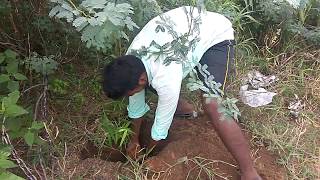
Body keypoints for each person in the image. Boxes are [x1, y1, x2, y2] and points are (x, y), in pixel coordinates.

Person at [103, 6, 261, 180]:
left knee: (212, 105)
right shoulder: (131, 62)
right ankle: (185, 109)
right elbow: (135, 104)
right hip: (187, 35)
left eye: (129, 93)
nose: (130, 96)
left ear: (139, 79)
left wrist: (146, 155)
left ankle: (249, 172)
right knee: (151, 86)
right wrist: (134, 140)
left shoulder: (165, 79)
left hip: (215, 37)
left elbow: (160, 130)